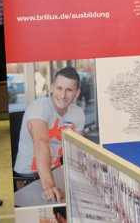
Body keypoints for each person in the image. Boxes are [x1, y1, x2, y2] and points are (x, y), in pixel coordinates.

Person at [13, 66, 85, 202]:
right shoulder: (39, 108)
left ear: (77, 92)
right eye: (59, 88)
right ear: (51, 87)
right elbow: (41, 143)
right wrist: (49, 186)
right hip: (28, 177)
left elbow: (75, 151)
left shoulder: (78, 113)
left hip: (56, 171)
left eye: (69, 90)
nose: (62, 95)